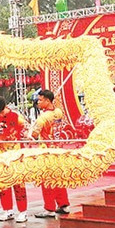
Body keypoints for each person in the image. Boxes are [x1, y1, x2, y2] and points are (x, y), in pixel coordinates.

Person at [0, 96, 28, 223]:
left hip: (15, 155)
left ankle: (23, 211)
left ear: (5, 107)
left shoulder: (16, 117)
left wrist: (27, 135)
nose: (0, 115)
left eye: (1, 112)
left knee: (18, 183)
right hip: (1, 154)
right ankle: (7, 210)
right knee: (3, 182)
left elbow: (25, 128)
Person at [32, 90, 71, 218]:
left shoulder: (42, 118)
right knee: (58, 178)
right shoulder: (58, 112)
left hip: (47, 151)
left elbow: (34, 135)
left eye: (40, 100)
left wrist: (31, 131)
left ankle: (49, 208)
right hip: (58, 150)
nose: (38, 102)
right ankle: (64, 205)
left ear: (47, 101)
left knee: (47, 180)